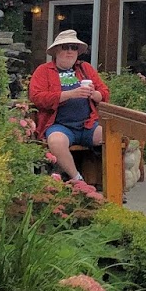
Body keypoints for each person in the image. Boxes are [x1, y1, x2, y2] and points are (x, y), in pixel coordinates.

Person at [28, 30, 110, 182]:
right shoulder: (43, 71)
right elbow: (37, 97)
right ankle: (78, 180)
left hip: (88, 124)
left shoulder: (85, 68)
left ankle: (112, 183)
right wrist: (70, 94)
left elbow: (104, 92)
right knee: (56, 142)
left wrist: (95, 94)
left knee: (111, 136)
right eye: (65, 47)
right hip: (59, 125)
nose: (70, 52)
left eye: (73, 48)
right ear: (56, 51)